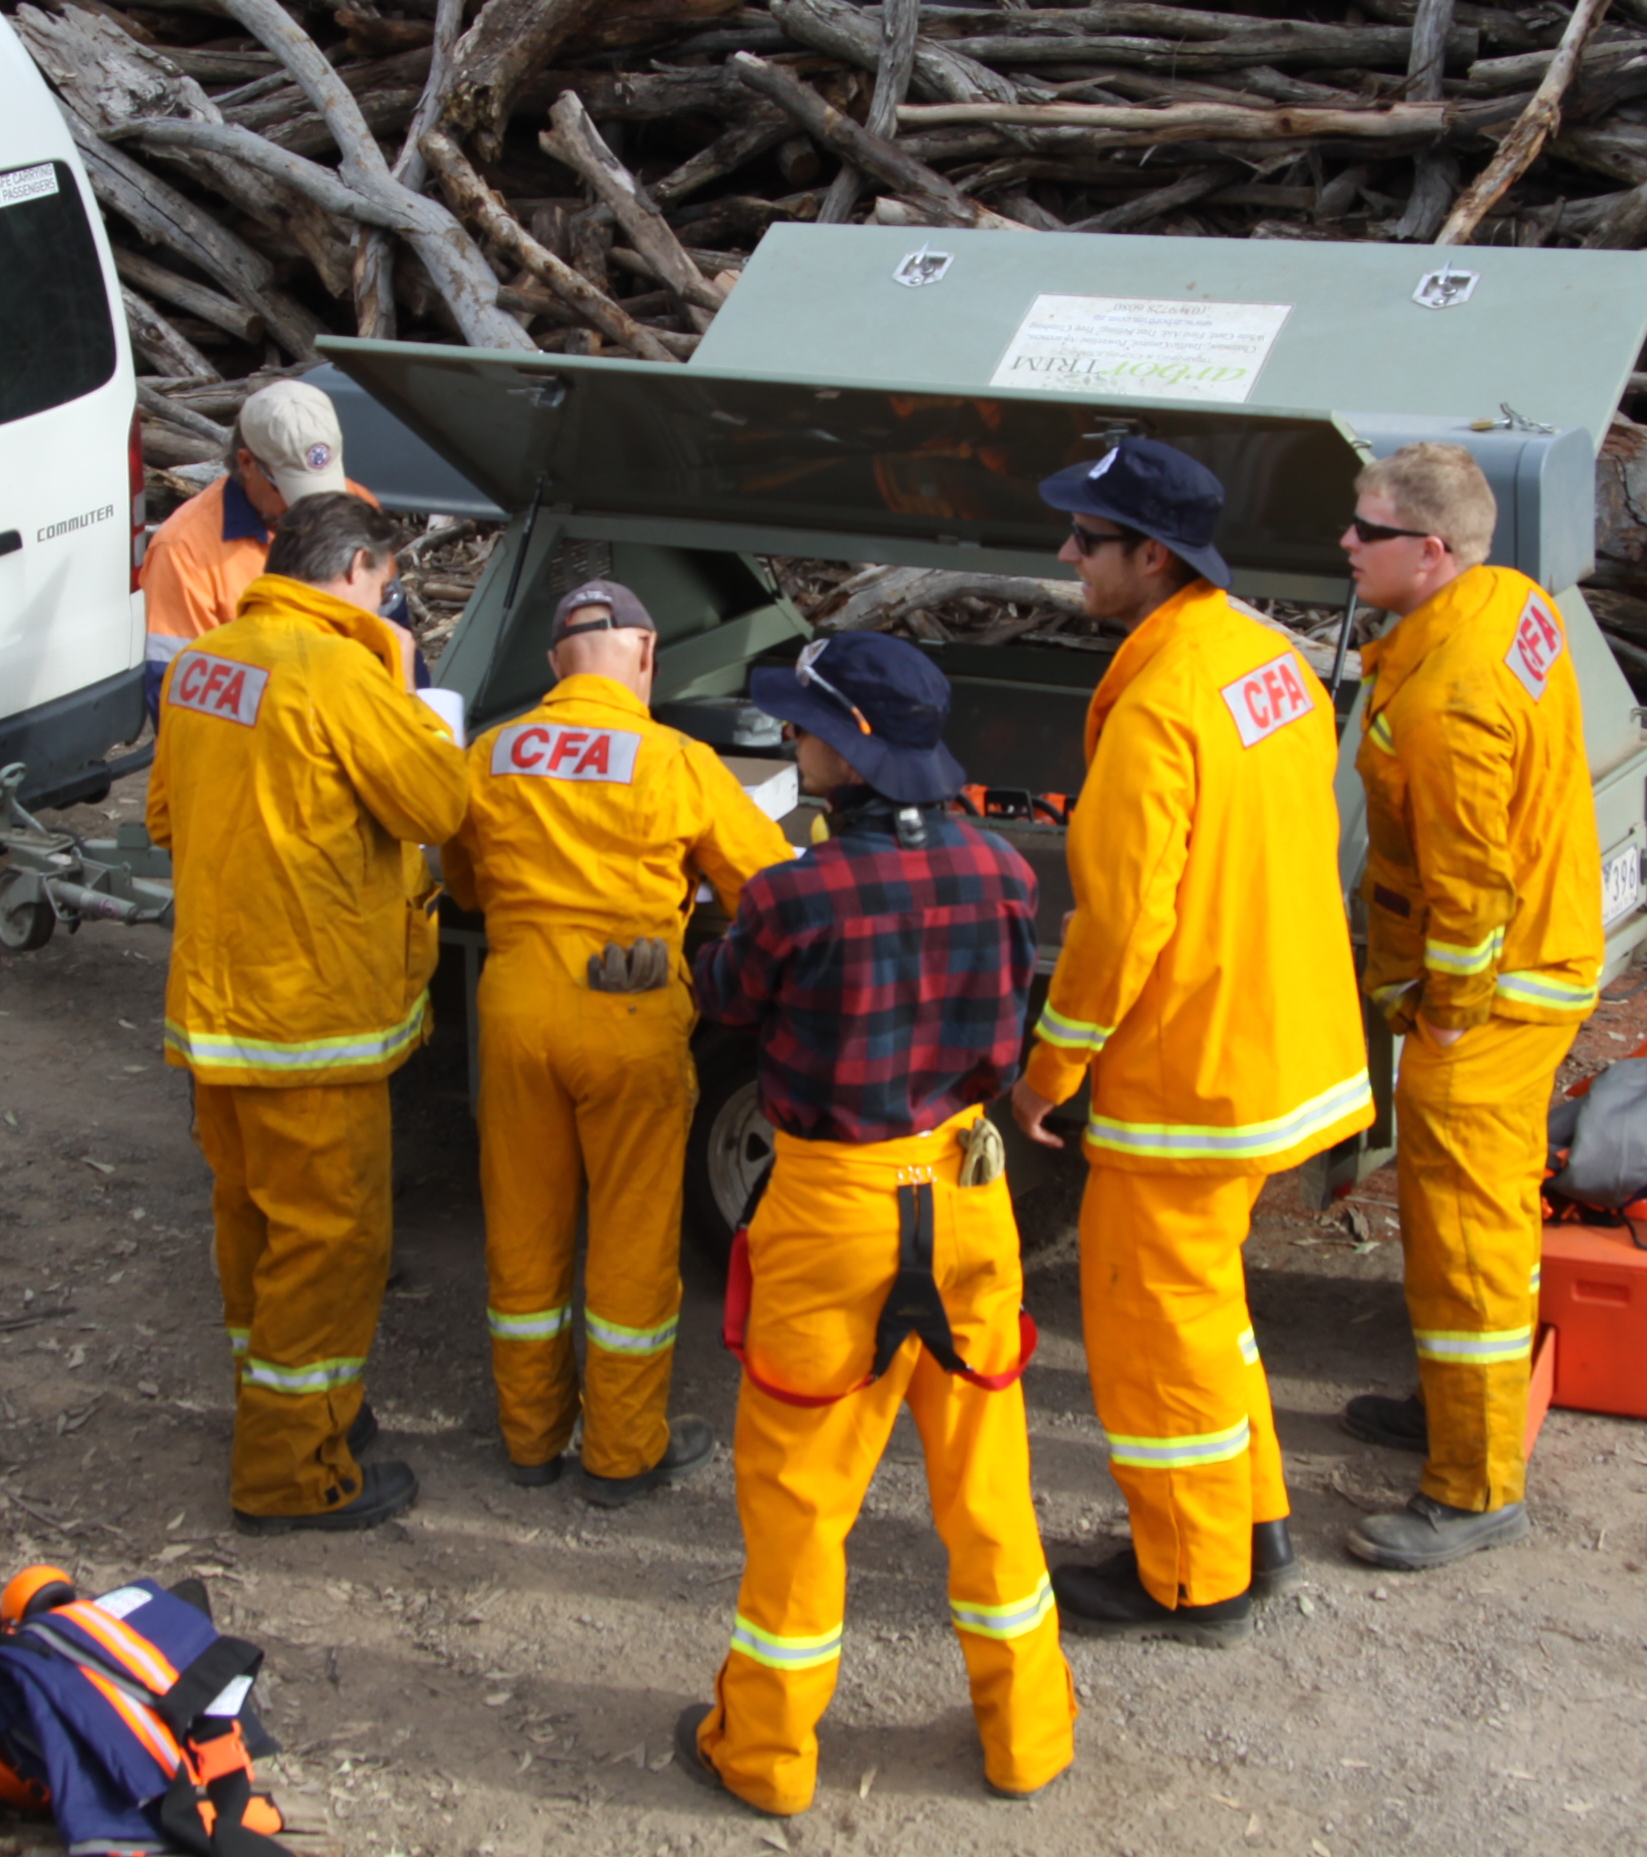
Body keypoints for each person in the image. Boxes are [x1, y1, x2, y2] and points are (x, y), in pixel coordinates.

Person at [675, 631, 1073, 1818]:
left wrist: (703, 938)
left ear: (848, 751)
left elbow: (729, 1000)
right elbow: (1004, 1038)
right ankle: (1028, 1739)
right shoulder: (1005, 872)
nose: (794, 742)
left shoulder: (797, 891)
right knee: (989, 1483)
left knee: (801, 1493)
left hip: (832, 1209)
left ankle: (766, 1755)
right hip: (965, 1194)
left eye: (804, 727)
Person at [1010, 439, 1370, 1648]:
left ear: (1149, 556)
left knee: (1149, 1323)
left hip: (1191, 1073)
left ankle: (1187, 1576)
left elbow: (1119, 924)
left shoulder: (1161, 703)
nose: (1068, 555)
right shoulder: (1270, 658)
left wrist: (1049, 1069)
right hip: (1282, 1043)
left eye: (1087, 539)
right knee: (1207, 1309)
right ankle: (1246, 1528)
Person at [149, 491, 468, 1534]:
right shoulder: (338, 670)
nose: (390, 601)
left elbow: (162, 814)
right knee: (329, 1245)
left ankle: (284, 1404)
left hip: (217, 1013)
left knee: (252, 1226)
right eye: (386, 585)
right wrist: (402, 677)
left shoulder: (206, 664)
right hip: (311, 1021)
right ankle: (293, 1471)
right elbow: (440, 805)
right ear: (359, 570)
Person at [437, 579, 794, 1504]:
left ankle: (531, 1439)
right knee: (632, 1239)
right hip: (630, 1015)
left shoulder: (492, 752)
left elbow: (466, 888)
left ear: (556, 664)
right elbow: (763, 887)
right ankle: (622, 1451)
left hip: (517, 1011)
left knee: (524, 1229)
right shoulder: (674, 759)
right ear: (644, 656)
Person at [1333, 441, 1602, 1571]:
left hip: (1491, 997)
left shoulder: (1450, 699)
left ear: (1432, 553)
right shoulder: (1508, 604)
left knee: (1466, 1235)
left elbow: (1473, 885)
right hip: (1539, 952)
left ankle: (1476, 1483)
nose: (1346, 544)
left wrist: (1449, 1008)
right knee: (1453, 1226)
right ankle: (1450, 1404)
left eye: (1368, 530)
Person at [139, 378, 375, 711]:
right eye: (290, 491)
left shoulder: (355, 505)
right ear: (247, 463)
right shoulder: (184, 552)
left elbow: (391, 631)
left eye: (323, 490)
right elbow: (177, 697)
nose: (311, 512)